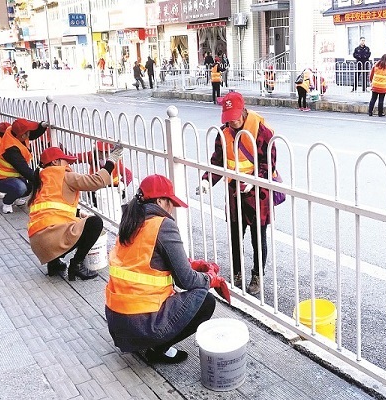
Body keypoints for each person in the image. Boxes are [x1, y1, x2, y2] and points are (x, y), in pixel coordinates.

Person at [105, 174, 228, 363]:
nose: (172, 209)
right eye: (170, 202)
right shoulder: (162, 225)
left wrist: (192, 264)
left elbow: (147, 261)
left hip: (117, 322)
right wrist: (209, 277)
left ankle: (145, 342)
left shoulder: (130, 221)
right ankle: (157, 349)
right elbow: (186, 280)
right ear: (160, 200)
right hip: (140, 324)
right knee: (205, 301)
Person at [196, 92, 277, 295]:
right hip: (234, 192)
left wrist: (255, 181)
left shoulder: (262, 132)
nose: (232, 122)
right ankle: (238, 272)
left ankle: (257, 274)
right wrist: (207, 180)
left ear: (243, 111)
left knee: (258, 238)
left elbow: (269, 163)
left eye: (235, 117)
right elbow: (217, 161)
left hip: (258, 193)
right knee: (234, 235)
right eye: (228, 118)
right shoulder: (223, 133)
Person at [27, 145, 122, 280]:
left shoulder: (40, 180)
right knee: (94, 223)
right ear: (55, 162)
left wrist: (77, 213)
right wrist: (111, 161)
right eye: (66, 161)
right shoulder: (64, 176)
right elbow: (97, 181)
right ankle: (76, 265)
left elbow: (51, 208)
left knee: (75, 223)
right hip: (53, 239)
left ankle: (54, 264)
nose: (69, 165)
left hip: (38, 245)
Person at [0, 119, 48, 214]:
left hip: (13, 176)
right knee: (21, 187)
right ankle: (7, 202)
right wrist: (43, 178)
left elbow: (33, 135)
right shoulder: (10, 149)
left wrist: (42, 126)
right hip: (1, 179)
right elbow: (23, 169)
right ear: (22, 135)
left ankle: (16, 197)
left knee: (29, 185)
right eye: (28, 132)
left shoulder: (12, 131)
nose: (30, 134)